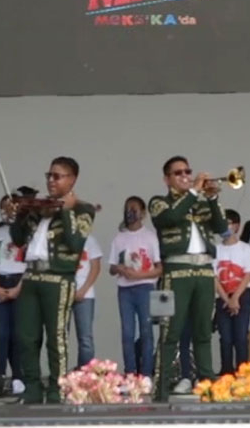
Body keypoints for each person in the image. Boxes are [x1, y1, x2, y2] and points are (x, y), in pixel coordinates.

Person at [10, 157, 95, 404]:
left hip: (59, 278)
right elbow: (18, 239)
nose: (51, 181)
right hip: (31, 275)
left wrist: (66, 211)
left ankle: (57, 388)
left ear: (72, 180)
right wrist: (19, 215)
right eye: (49, 175)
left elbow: (75, 243)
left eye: (57, 176)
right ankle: (32, 388)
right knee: (26, 336)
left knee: (56, 337)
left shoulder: (83, 209)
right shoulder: (38, 208)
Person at [150, 155, 229, 400]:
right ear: (167, 179)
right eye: (178, 173)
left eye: (187, 171)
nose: (185, 176)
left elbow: (222, 228)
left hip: (204, 271)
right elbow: (170, 218)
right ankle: (161, 389)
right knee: (170, 332)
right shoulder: (159, 202)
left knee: (204, 331)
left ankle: (207, 386)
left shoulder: (201, 203)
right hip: (176, 272)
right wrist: (194, 191)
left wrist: (213, 199)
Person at [109, 196, 161, 376]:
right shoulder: (119, 238)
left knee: (146, 331)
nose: (130, 213)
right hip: (125, 290)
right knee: (127, 333)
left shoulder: (150, 237)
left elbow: (159, 268)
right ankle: (130, 372)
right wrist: (120, 269)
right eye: (127, 209)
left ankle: (146, 374)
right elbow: (111, 268)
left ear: (143, 213)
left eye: (134, 209)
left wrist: (139, 275)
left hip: (145, 288)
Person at [0, 193, 27, 389]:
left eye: (11, 207)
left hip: (19, 282)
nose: (7, 211)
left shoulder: (26, 232)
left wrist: (19, 288)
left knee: (18, 333)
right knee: (1, 333)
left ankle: (18, 376)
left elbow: (31, 263)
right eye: (4, 207)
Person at [212, 209, 250, 373]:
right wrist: (227, 299)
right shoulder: (215, 250)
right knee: (225, 338)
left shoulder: (245, 248)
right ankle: (226, 371)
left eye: (229, 223)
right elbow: (213, 277)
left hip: (242, 296)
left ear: (237, 226)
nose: (225, 227)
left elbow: (249, 274)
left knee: (240, 337)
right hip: (222, 297)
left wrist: (235, 298)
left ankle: (242, 372)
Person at [71, 231, 103, 368]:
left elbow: (96, 268)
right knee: (59, 337)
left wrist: (83, 290)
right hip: (64, 292)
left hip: (86, 294)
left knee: (85, 338)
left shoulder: (90, 240)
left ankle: (85, 373)